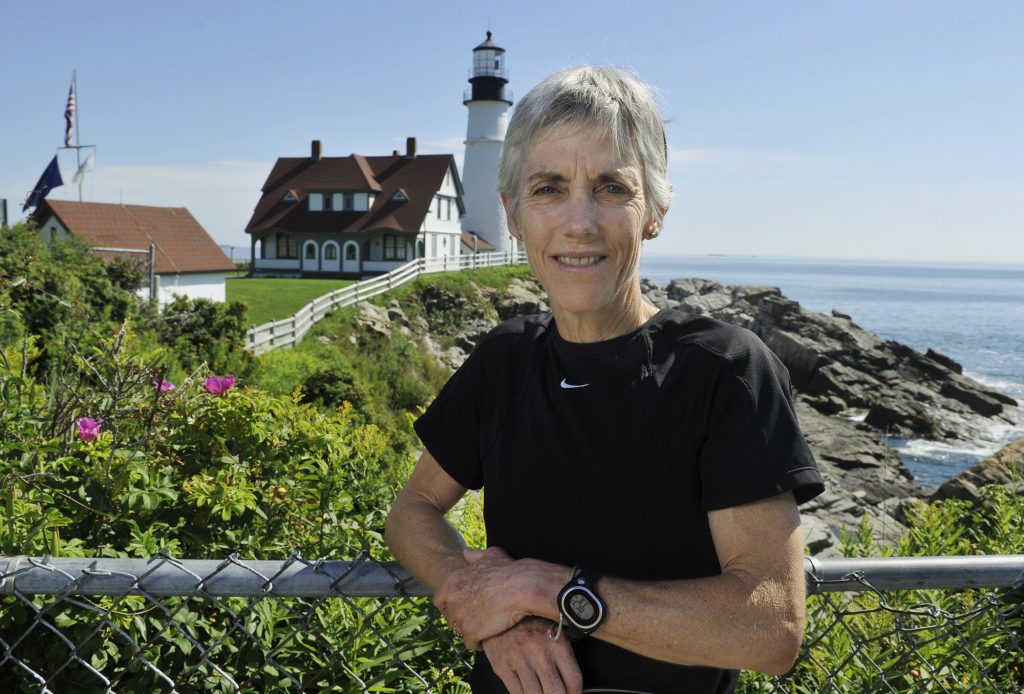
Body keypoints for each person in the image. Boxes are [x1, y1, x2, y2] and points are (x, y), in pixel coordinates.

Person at [385, 66, 825, 694]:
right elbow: (412, 512)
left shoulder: (724, 371)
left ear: (656, 211)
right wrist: (494, 613)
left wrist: (555, 590)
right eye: (548, 188)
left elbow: (770, 629)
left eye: (612, 187)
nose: (579, 222)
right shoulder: (505, 361)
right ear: (512, 215)